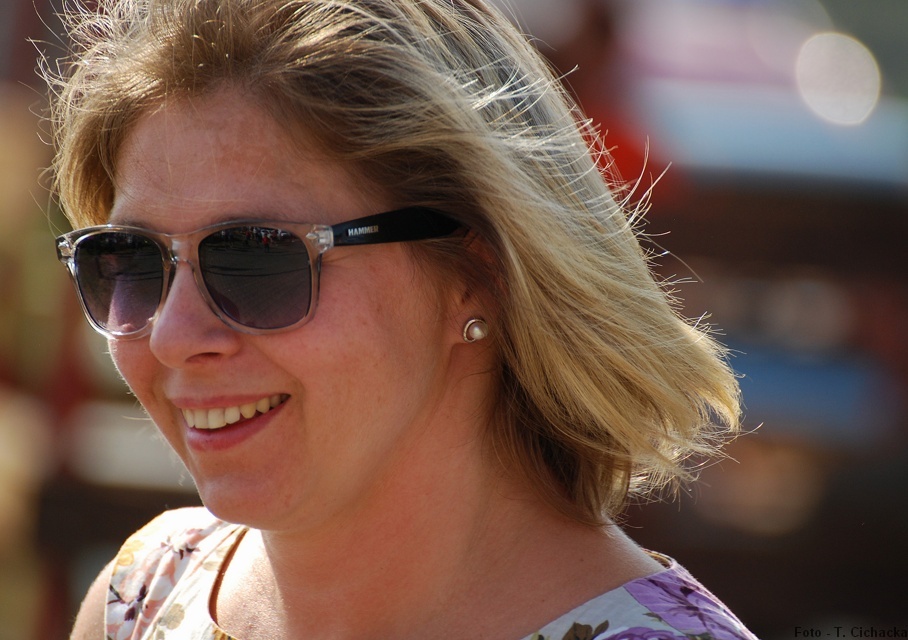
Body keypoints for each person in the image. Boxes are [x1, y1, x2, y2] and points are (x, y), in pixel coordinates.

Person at [46, 0, 755, 638]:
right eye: (130, 260)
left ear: (476, 275)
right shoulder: (140, 599)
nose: (172, 336)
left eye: (255, 258)